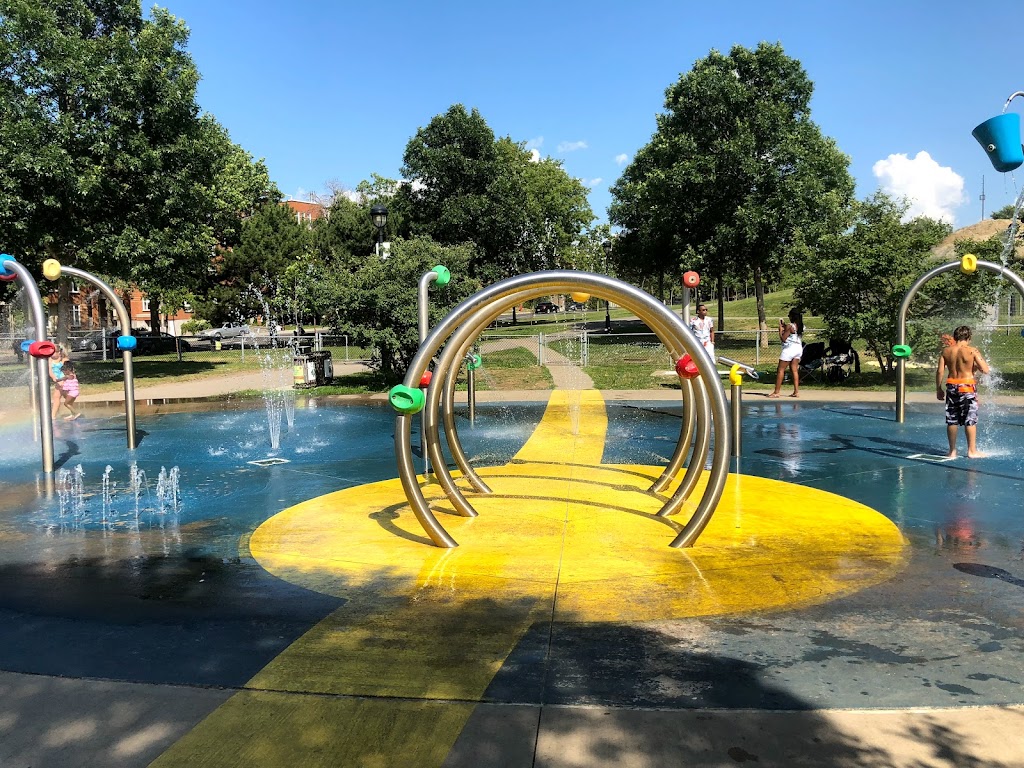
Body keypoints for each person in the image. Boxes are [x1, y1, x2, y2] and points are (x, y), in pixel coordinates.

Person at [936, 325, 989, 458]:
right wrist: (974, 367)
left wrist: (938, 388)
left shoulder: (946, 351)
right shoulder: (972, 351)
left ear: (955, 337)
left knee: (952, 419)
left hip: (952, 386)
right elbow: (986, 370)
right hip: (967, 387)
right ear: (969, 338)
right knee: (969, 419)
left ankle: (952, 451)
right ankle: (972, 451)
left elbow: (940, 371)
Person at [769, 309, 803, 398]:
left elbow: (783, 338)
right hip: (798, 349)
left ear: (792, 316)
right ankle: (796, 391)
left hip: (789, 349)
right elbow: (792, 332)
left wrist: (780, 330)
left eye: (789, 316)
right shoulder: (800, 326)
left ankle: (776, 392)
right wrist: (784, 326)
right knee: (794, 370)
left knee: (780, 370)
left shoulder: (790, 326)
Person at [49, 344, 69, 418]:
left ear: (59, 352)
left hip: (65, 381)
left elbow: (69, 372)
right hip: (58, 381)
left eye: (53, 352)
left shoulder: (64, 360)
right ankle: (53, 415)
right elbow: (50, 371)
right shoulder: (50, 360)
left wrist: (63, 381)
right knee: (57, 397)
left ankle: (73, 412)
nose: (51, 354)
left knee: (65, 397)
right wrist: (54, 378)